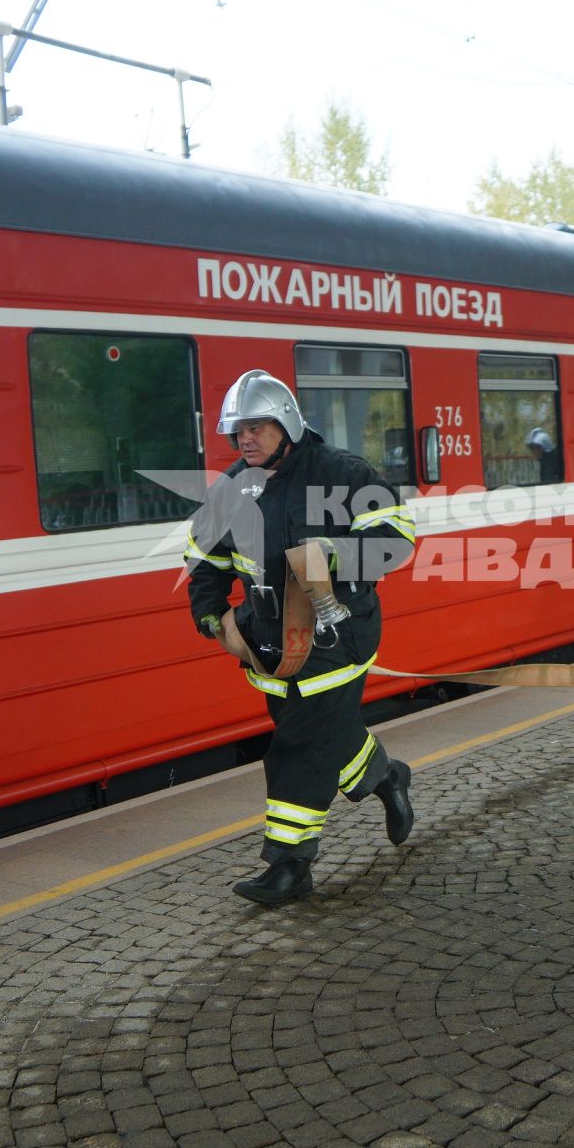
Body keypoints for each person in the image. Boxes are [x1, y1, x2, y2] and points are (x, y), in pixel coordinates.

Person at [185, 370, 419, 906]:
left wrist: (332, 556)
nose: (244, 440)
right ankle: (387, 778)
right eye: (237, 431)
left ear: (286, 424)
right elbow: (204, 564)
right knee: (324, 736)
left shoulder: (344, 473)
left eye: (257, 428)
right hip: (267, 644)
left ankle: (289, 864)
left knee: (299, 746)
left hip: (338, 635)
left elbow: (398, 541)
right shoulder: (231, 489)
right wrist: (212, 619)